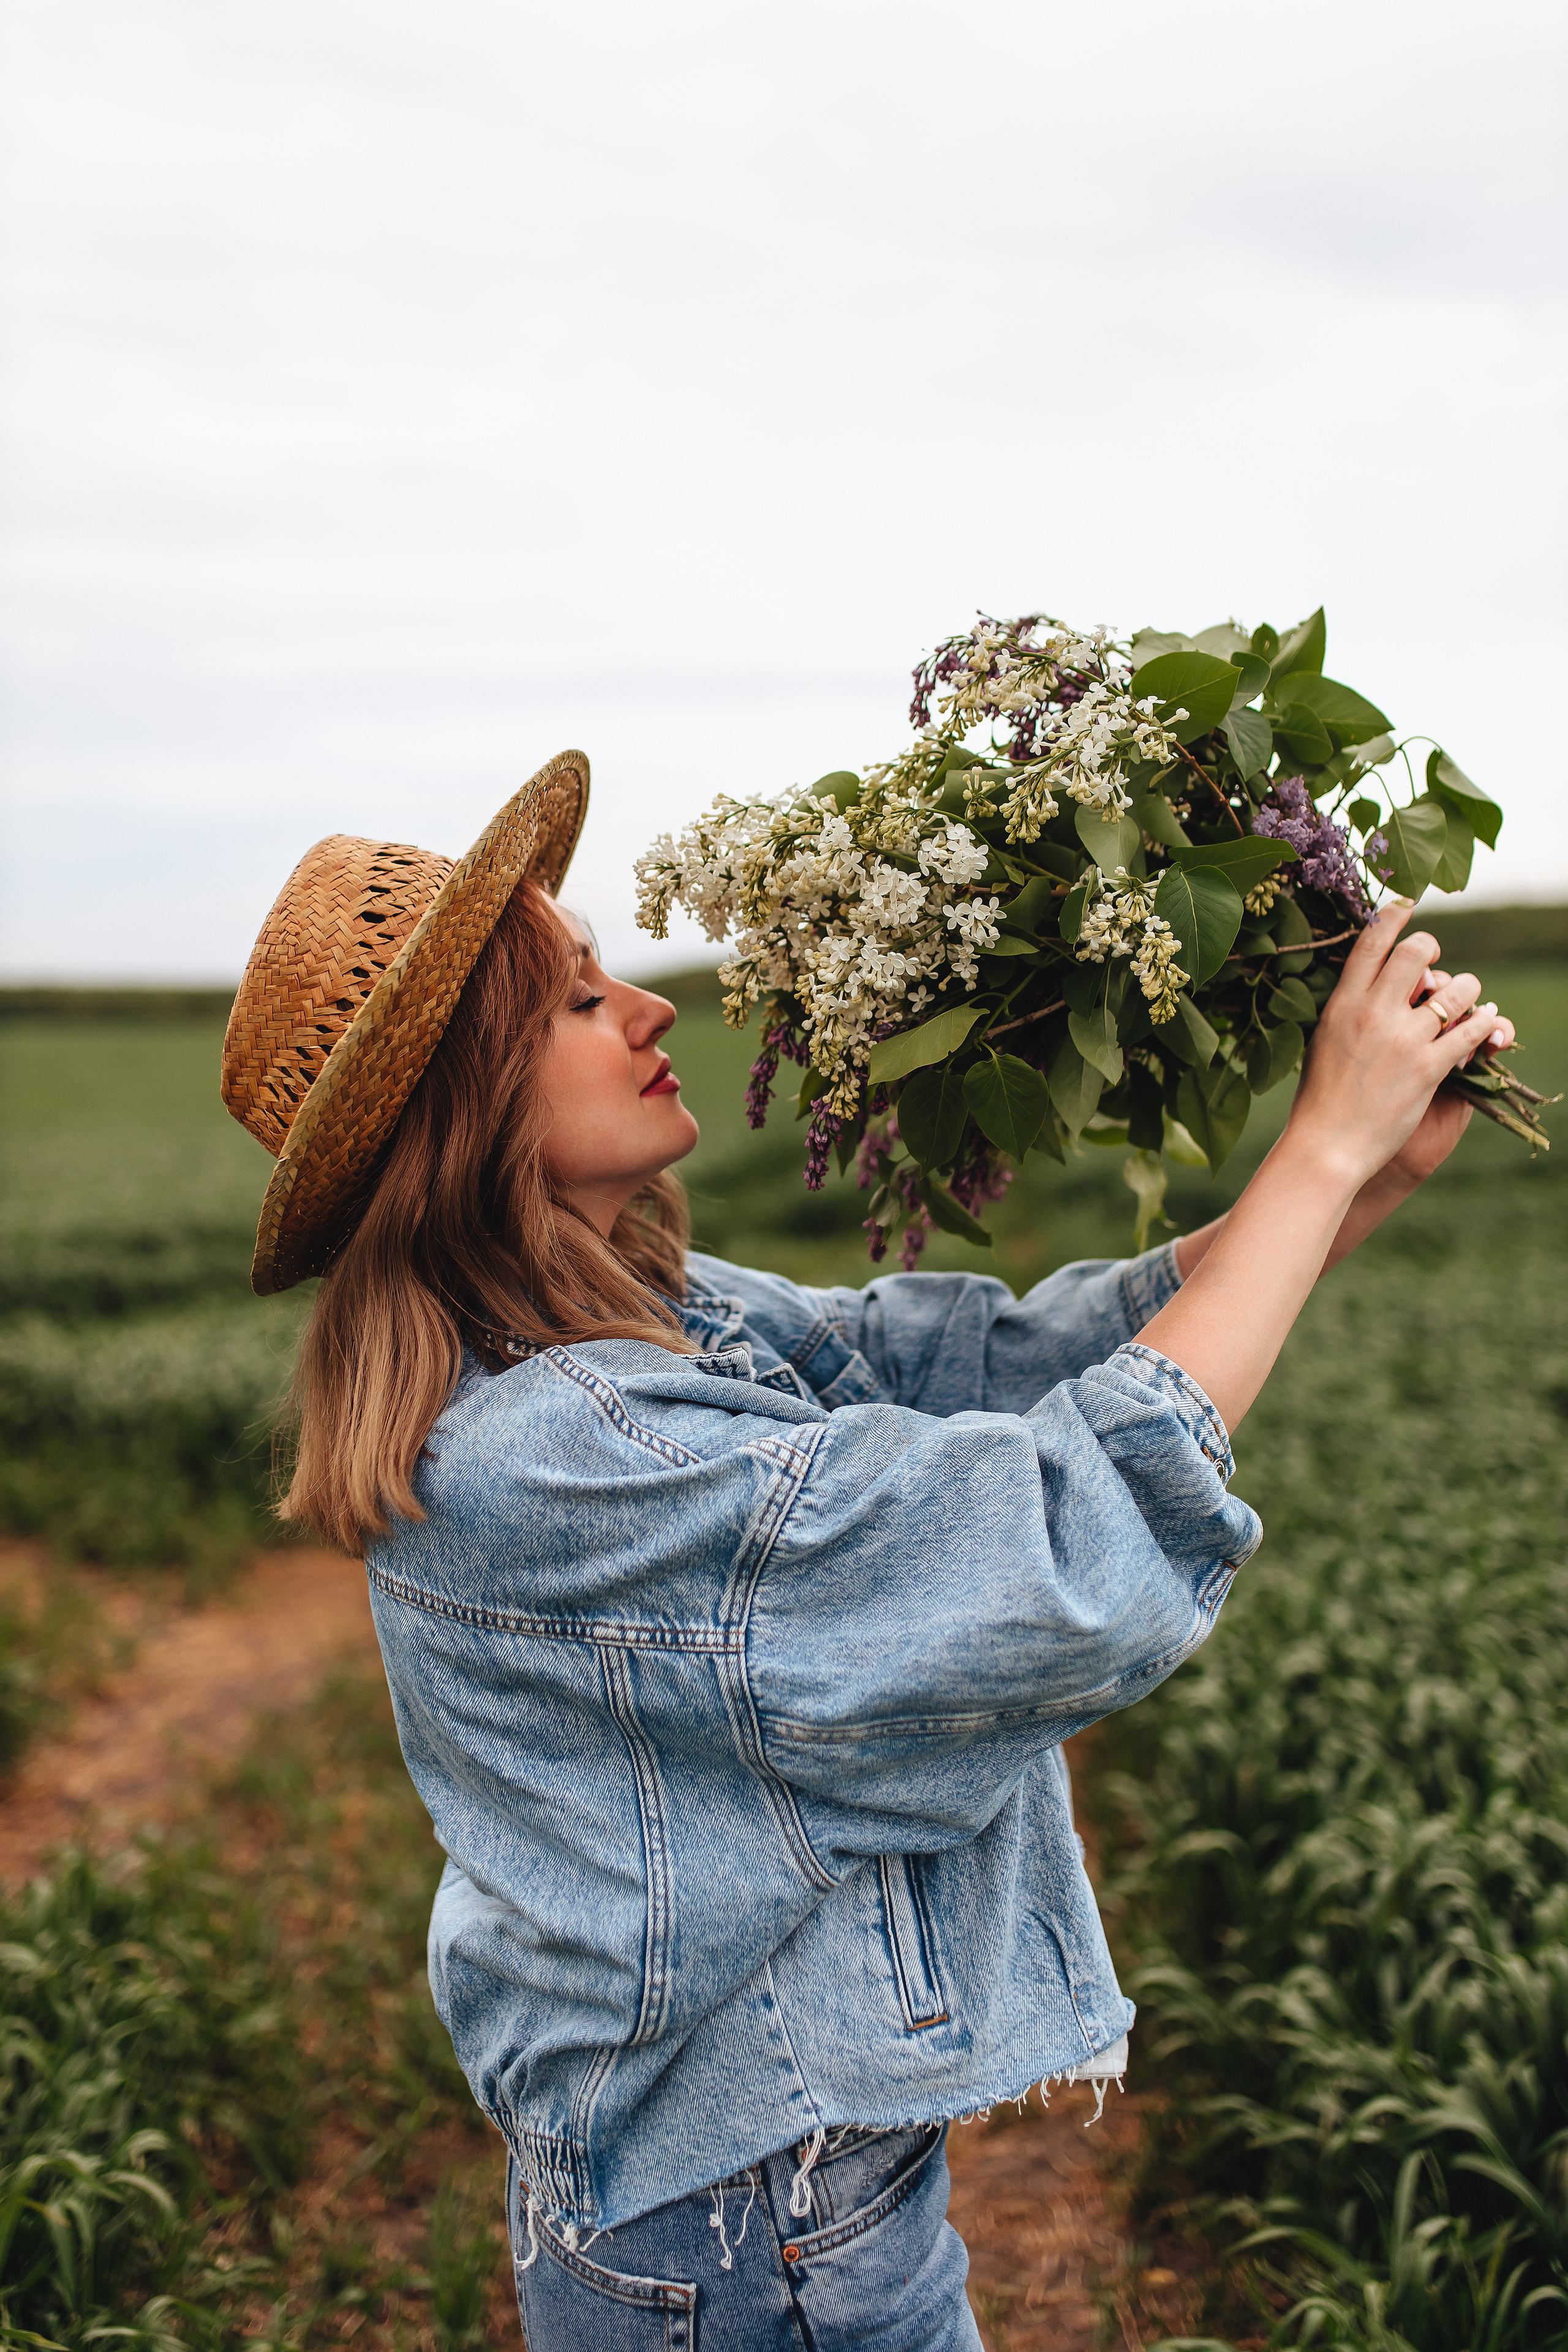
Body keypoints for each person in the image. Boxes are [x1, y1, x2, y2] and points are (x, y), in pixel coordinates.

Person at [221, 753, 1513, 2351]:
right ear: (465, 1111)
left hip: (747, 2190)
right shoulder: (556, 1446)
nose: (649, 1013)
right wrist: (1313, 1153)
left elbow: (979, 1369)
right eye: (571, 1003)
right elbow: (1030, 1551)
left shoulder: (651, 1321)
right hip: (757, 2230)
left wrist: (1350, 1183)